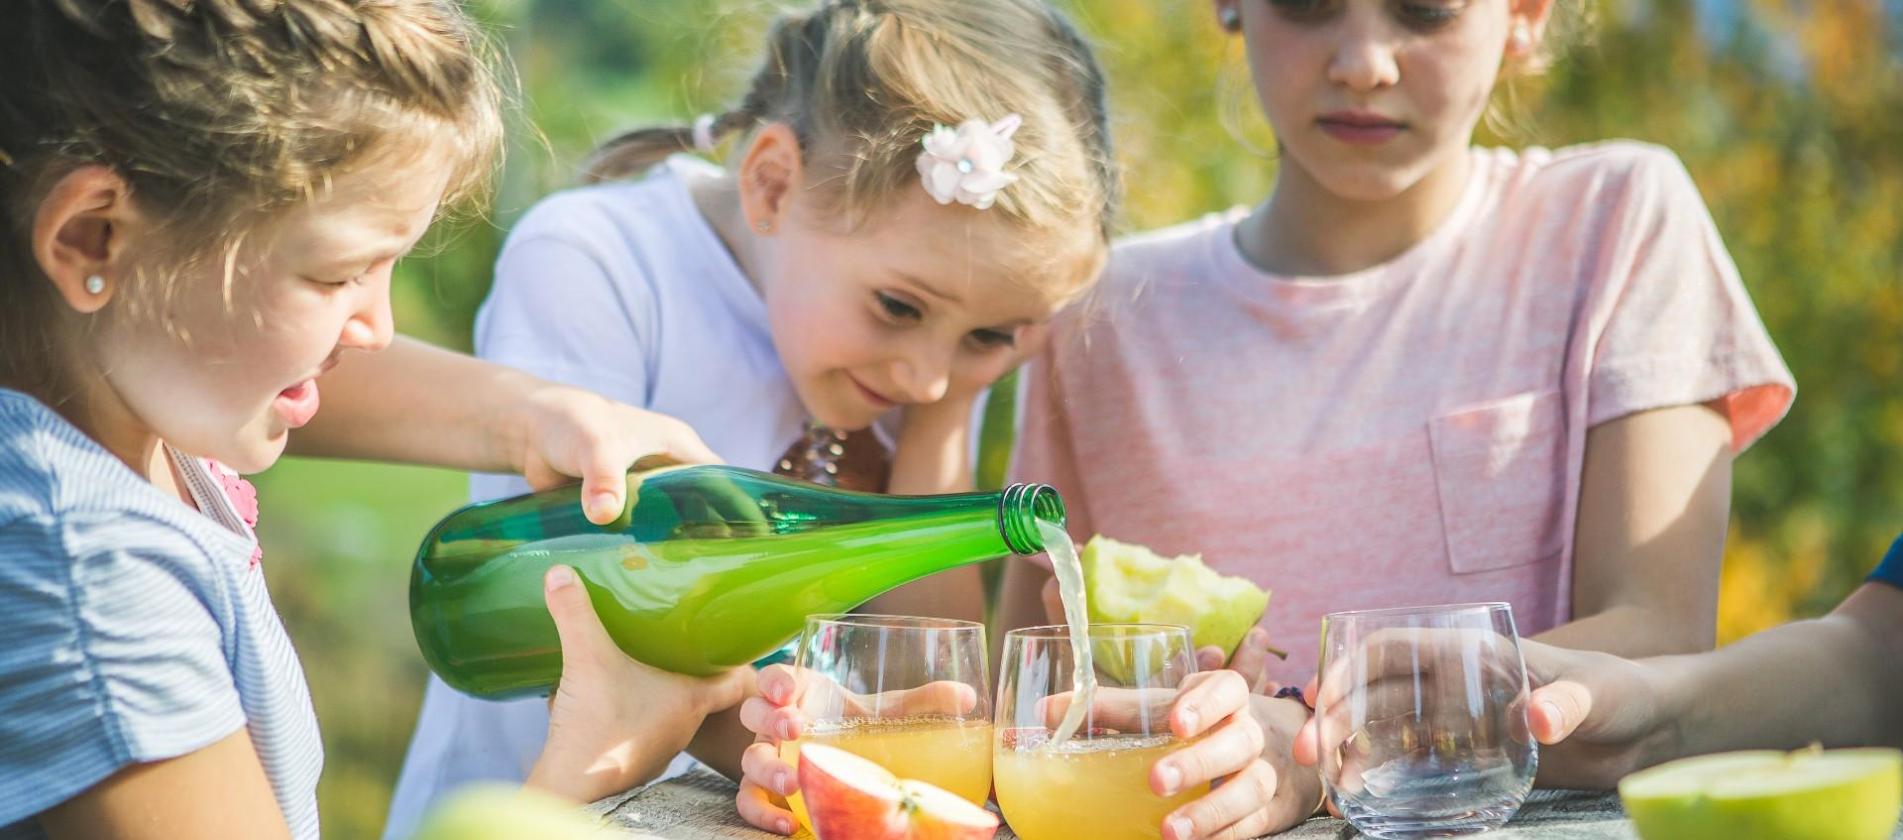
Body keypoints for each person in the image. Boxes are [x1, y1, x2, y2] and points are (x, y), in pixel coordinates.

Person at [0, 3, 747, 837]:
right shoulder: (85, 582)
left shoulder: (119, 396)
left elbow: (246, 349)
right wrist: (584, 772)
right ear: (93, 236)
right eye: (337, 274)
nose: (378, 328)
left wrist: (528, 416)